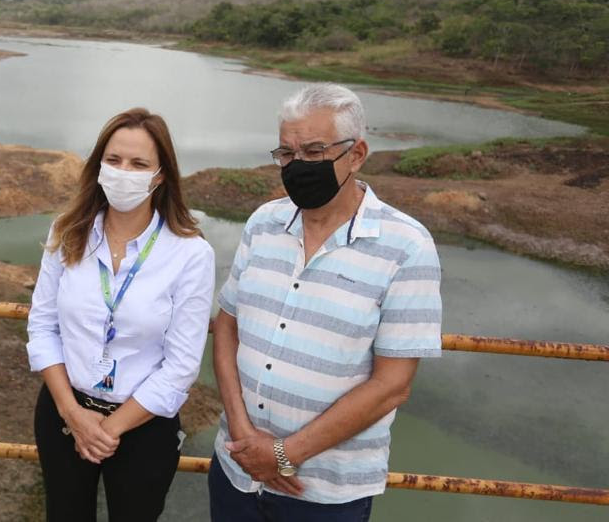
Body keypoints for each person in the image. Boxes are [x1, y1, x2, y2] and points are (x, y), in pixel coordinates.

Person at [209, 84, 442, 521]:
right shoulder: (263, 224)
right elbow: (227, 326)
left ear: (356, 155)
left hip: (324, 494)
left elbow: (393, 384)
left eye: (314, 151)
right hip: (235, 470)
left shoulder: (406, 247)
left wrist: (284, 453)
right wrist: (242, 434)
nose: (298, 165)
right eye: (287, 153)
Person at [27, 108, 215, 522]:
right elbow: (42, 327)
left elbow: (182, 365)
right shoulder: (67, 232)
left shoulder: (190, 254)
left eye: (139, 164)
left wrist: (106, 430)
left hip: (144, 424)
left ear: (160, 176)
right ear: (98, 166)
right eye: (113, 160)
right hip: (64, 413)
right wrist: (74, 415)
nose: (123, 172)